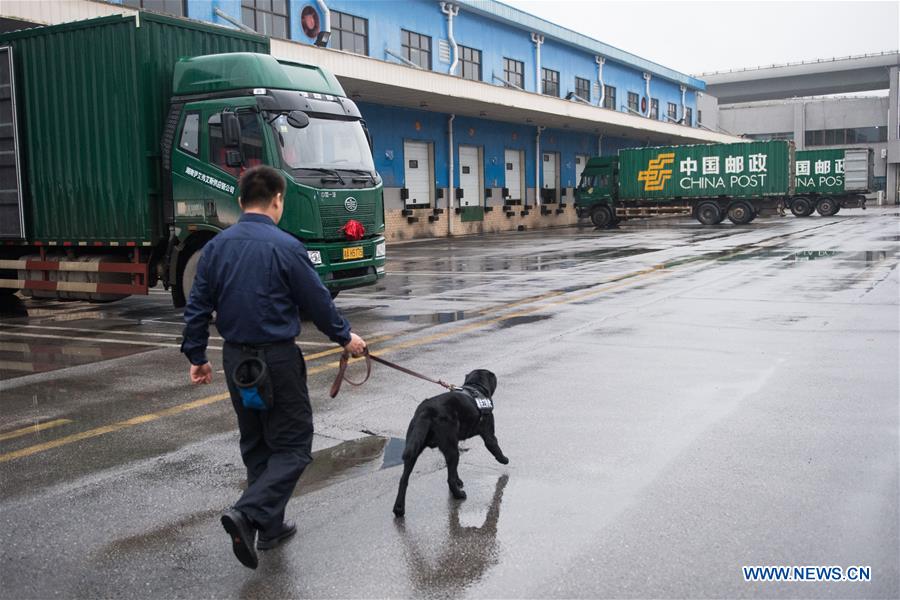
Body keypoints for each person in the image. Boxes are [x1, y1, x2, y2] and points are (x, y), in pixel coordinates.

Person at [181, 165, 366, 569]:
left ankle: (270, 527)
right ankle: (248, 514)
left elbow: (196, 306)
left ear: (242, 200)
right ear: (278, 199)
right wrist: (345, 337)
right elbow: (317, 302)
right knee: (295, 447)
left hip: (236, 360)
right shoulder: (286, 246)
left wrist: (196, 356)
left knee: (257, 443)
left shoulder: (215, 247)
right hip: (277, 360)